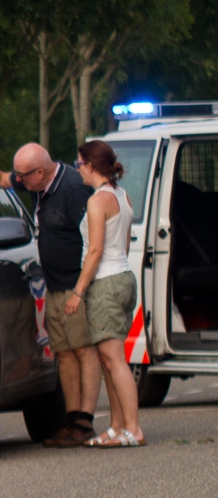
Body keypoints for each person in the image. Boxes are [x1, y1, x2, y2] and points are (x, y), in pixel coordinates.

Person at [0, 140, 100, 446]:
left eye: (25, 176)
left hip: (76, 285)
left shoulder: (73, 190)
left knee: (84, 349)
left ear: (42, 172)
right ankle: (72, 420)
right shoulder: (35, 181)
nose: (20, 181)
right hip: (55, 285)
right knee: (64, 352)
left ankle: (86, 421)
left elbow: (95, 243)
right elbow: (1, 179)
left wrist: (81, 290)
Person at [71, 140, 144, 446]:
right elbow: (123, 246)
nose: (78, 171)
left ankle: (133, 429)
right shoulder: (122, 196)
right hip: (124, 276)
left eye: (79, 165)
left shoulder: (97, 201)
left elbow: (96, 250)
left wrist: (78, 291)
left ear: (90, 165)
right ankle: (116, 426)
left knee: (114, 359)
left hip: (106, 282)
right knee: (108, 358)